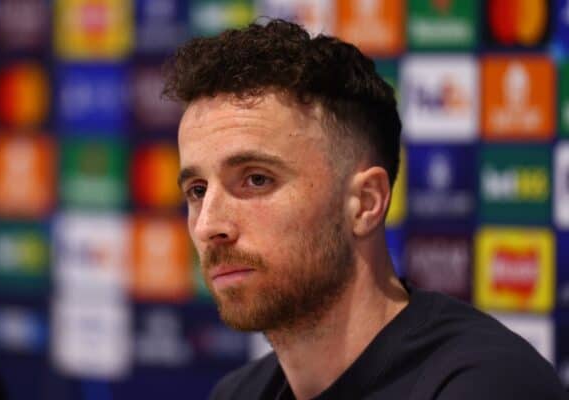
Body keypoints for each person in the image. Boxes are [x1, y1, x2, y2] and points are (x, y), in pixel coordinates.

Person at [165, 19, 567, 400]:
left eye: (256, 179)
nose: (208, 225)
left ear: (366, 202)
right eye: (197, 190)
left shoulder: (485, 385)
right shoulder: (239, 393)